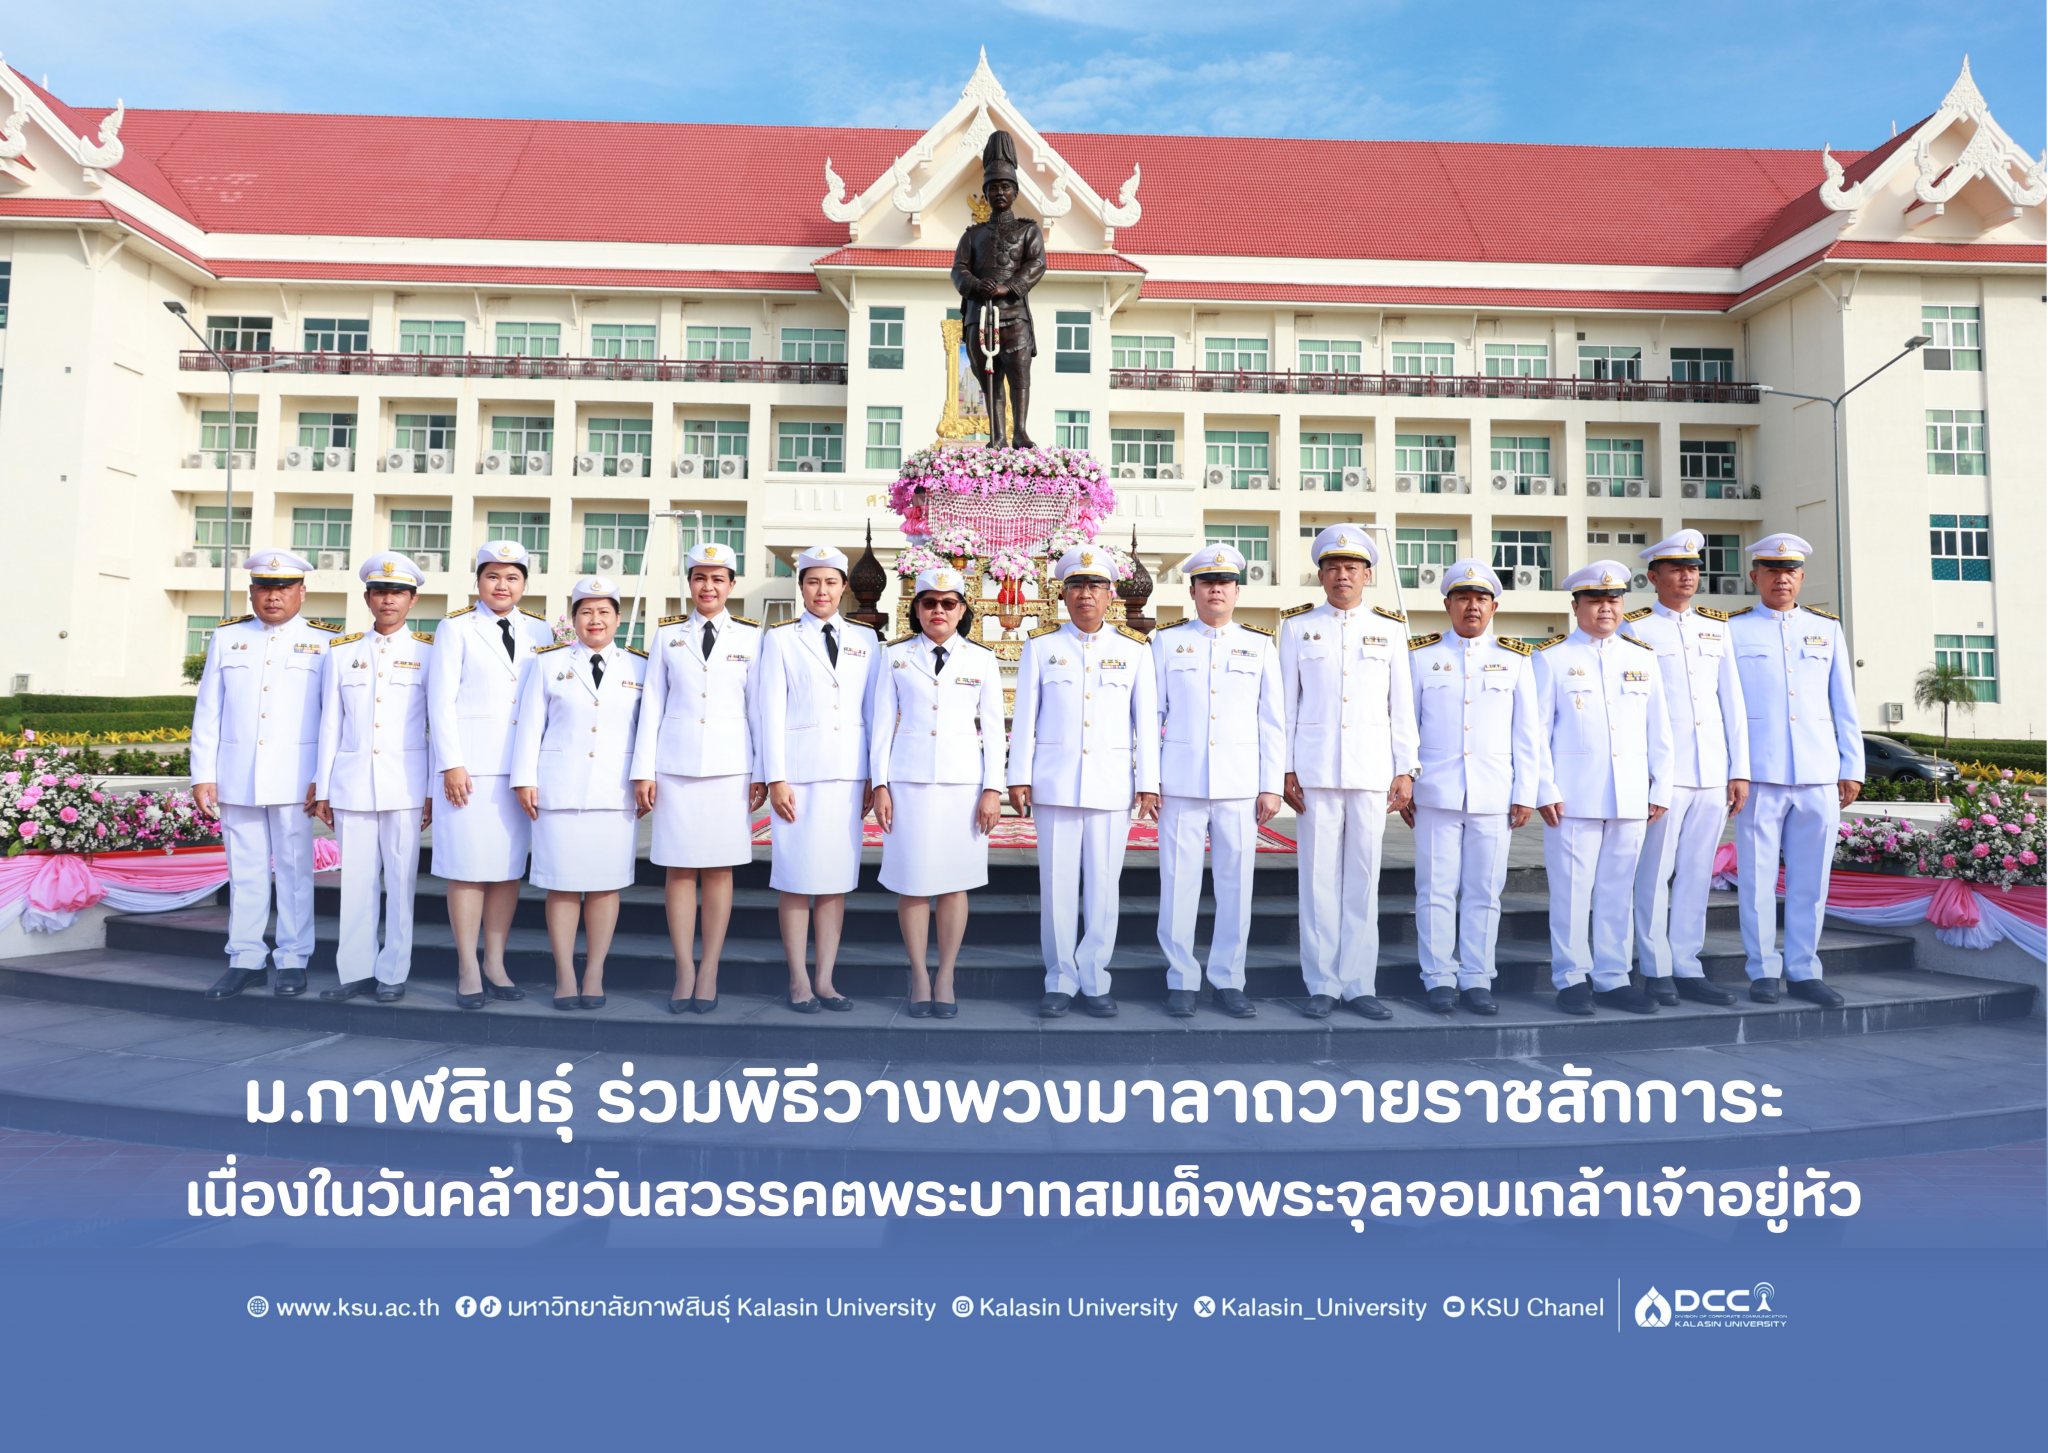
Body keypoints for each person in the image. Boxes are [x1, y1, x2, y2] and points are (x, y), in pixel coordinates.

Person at [1009, 544, 1160, 1018]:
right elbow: (1024, 718)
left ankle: (1095, 978)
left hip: (1111, 784)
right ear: (1064, 594)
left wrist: (1148, 781)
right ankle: (1059, 979)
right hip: (1054, 783)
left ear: (1110, 594)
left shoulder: (1134, 649)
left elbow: (1146, 722)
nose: (1085, 594)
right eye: (1076, 586)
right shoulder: (1041, 646)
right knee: (1056, 888)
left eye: (1095, 586)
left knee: (1103, 886)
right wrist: (1018, 776)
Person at [1278, 524, 1417, 1020]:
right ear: (1320, 575)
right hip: (1314, 770)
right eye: (1333, 567)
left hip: (1371, 770)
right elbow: (1286, 706)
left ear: (1367, 575)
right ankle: (1322, 983)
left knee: (1362, 879)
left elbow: (1402, 705)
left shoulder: (1390, 629)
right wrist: (1285, 768)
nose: (1343, 575)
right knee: (1317, 880)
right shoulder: (1297, 628)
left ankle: (1359, 984)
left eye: (1352, 568)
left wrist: (1406, 768)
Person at [190, 547, 337, 998]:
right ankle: (246, 958)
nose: (273, 596)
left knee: (295, 872)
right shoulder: (227, 637)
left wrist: (324, 778)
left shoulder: (325, 641)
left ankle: (293, 958)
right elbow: (208, 710)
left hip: (296, 778)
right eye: (264, 588)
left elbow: (332, 718)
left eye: (283, 588)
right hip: (237, 775)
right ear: (252, 592)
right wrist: (202, 773)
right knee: (246, 871)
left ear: (301, 592)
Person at [1400, 560, 1544, 1015]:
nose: (1472, 606)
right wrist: (1405, 779)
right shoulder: (1420, 655)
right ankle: (1439, 977)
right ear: (1447, 604)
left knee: (1484, 891)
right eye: (1463, 598)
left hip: (1494, 794)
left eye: (1481, 599)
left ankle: (1478, 977)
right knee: (1435, 890)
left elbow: (1528, 733)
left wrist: (1526, 792)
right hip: (1436, 792)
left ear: (1494, 606)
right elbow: (1406, 726)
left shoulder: (1515, 658)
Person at [1726, 533, 1864, 1006]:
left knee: (1811, 882)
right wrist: (1735, 769)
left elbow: (1844, 703)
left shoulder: (1826, 629)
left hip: (1818, 773)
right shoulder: (1733, 629)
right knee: (1757, 880)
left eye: (1790, 572)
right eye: (1771, 571)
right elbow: (1730, 708)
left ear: (1801, 577)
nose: (1781, 579)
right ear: (1755, 576)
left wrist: (1852, 765)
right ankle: (1763, 970)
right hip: (1759, 775)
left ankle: (1804, 970)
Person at [1533, 561, 1676, 1015]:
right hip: (1572, 798)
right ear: (1576, 606)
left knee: (1617, 892)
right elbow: (1535, 732)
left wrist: (1661, 787)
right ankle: (1572, 978)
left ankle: (1613, 978)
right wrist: (1544, 788)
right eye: (1595, 601)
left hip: (1630, 795)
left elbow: (1660, 731)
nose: (1606, 608)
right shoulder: (1551, 657)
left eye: (1613, 600)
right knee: (1572, 894)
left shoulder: (1642, 657)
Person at [1149, 543, 1283, 1020]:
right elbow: (1152, 715)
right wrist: (1150, 780)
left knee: (1235, 888)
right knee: (1177, 884)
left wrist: (1271, 784)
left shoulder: (1260, 644)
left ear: (1237, 591)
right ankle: (1181, 980)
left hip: (1240, 784)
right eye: (1207, 583)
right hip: (1180, 783)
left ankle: (1229, 979)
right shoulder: (1166, 642)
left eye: (1224, 583)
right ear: (1192, 591)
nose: (1216, 590)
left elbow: (1272, 721)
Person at [631, 540, 765, 1014]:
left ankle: (709, 970)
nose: (708, 587)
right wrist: (643, 770)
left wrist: (762, 771)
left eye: (718, 579)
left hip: (730, 769)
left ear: (732, 584)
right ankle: (684, 969)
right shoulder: (668, 635)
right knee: (679, 869)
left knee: (720, 869)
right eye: (700, 578)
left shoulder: (752, 637)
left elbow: (759, 710)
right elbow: (651, 706)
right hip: (676, 768)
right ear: (689, 583)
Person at [870, 567, 1006, 1018]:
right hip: (907, 784)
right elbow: (881, 725)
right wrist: (880, 784)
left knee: (953, 884)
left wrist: (992, 789)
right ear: (917, 609)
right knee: (911, 883)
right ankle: (919, 975)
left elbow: (994, 731)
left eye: (949, 603)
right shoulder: (895, 656)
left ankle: (945, 974)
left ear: (962, 609)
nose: (939, 611)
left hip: (962, 785)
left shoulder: (980, 658)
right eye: (929, 602)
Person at [1620, 530, 1747, 1007]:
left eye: (1693, 568)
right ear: (1653, 577)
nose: (1687, 576)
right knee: (1654, 873)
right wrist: (1646, 773)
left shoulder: (1716, 627)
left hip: (1712, 770)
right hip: (1664, 775)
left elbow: (1732, 702)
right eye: (1676, 569)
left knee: (1697, 874)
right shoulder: (1635, 628)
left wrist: (1739, 769)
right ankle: (1655, 968)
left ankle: (1687, 965)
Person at [511, 577, 648, 1010]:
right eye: (586, 611)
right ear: (573, 619)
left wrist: (646, 776)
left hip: (615, 790)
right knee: (563, 886)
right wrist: (524, 779)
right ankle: (565, 975)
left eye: (604, 611)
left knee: (606, 886)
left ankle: (594, 973)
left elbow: (647, 730)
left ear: (618, 618)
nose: (595, 620)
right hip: (560, 789)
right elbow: (530, 725)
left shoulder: (639, 666)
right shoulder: (548, 663)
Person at [756, 545, 882, 1012]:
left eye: (830, 582)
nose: (822, 591)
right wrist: (775, 778)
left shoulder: (866, 639)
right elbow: (770, 711)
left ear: (844, 587)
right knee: (794, 878)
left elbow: (873, 712)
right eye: (813, 581)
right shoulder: (780, 639)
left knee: (834, 881)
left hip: (848, 776)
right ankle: (798, 980)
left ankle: (825, 980)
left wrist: (873, 776)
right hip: (799, 777)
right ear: (801, 586)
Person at [427, 541, 552, 1006]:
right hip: (470, 770)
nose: (502, 585)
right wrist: (451, 763)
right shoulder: (455, 627)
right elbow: (440, 701)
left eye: (512, 577)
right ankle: (467, 966)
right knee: (466, 869)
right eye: (493, 576)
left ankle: (495, 963)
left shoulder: (541, 629)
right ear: (478, 580)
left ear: (524, 583)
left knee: (505, 871)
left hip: (519, 771)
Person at [312, 553, 434, 1004]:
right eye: (380, 592)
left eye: (397, 593)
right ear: (367, 598)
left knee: (401, 884)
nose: (388, 600)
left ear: (412, 600)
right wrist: (324, 788)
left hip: (406, 784)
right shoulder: (342, 652)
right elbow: (330, 724)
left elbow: (437, 727)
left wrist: (431, 792)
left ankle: (393, 972)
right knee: (356, 884)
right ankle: (356, 971)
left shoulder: (428, 652)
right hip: (352, 784)